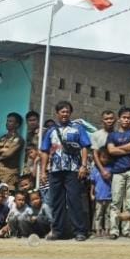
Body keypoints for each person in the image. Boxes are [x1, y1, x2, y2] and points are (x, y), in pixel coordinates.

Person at [40, 101, 92, 241]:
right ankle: (57, 231)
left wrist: (83, 165)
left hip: (73, 169)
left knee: (74, 199)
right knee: (56, 201)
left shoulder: (77, 128)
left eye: (67, 111)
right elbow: (44, 151)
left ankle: (80, 231)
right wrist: (43, 171)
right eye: (62, 111)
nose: (65, 114)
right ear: (57, 113)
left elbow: (84, 147)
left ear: (70, 113)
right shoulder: (50, 131)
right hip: (55, 170)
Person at [106, 107, 130, 238]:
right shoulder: (112, 135)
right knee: (116, 201)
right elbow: (110, 151)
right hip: (117, 171)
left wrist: (117, 149)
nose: (126, 120)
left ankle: (127, 230)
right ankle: (114, 230)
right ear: (119, 119)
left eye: (128, 117)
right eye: (124, 117)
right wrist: (126, 150)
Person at [0, 112, 24, 190]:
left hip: (10, 172)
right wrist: (2, 150)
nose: (7, 123)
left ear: (17, 124)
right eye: (7, 121)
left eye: (10, 121)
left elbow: (8, 154)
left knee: (6, 195)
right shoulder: (2, 138)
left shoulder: (18, 139)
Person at [90, 147, 114, 237]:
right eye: (103, 157)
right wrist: (91, 193)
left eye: (107, 157)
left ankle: (107, 229)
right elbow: (93, 183)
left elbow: (113, 181)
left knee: (108, 214)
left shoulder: (111, 169)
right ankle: (98, 229)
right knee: (98, 214)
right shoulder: (95, 169)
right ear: (99, 158)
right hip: (98, 196)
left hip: (109, 196)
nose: (105, 159)